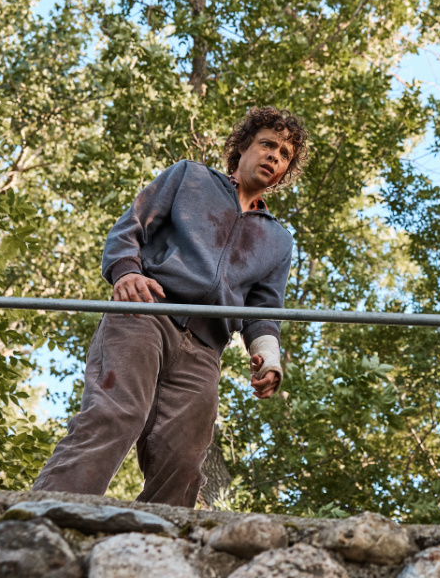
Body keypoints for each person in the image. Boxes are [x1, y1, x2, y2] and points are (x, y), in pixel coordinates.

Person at [31, 107, 309, 508]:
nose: (274, 156)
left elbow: (264, 308)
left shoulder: (278, 240)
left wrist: (268, 355)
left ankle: (156, 544)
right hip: (146, 312)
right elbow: (130, 228)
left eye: (284, 155)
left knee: (183, 457)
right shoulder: (190, 178)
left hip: (205, 349)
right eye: (267, 144)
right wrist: (126, 271)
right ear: (243, 148)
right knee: (116, 415)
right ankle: (45, 514)